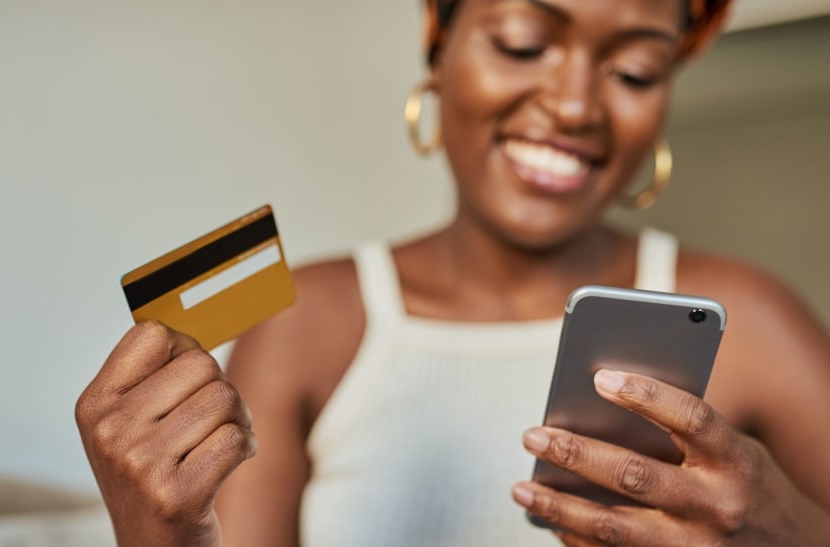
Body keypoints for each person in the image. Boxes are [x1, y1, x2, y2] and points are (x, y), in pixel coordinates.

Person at [75, 0, 830, 545]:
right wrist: (156, 539)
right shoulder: (310, 324)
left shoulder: (749, 318)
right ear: (438, 43)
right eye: (522, 42)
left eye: (633, 71)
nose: (573, 105)